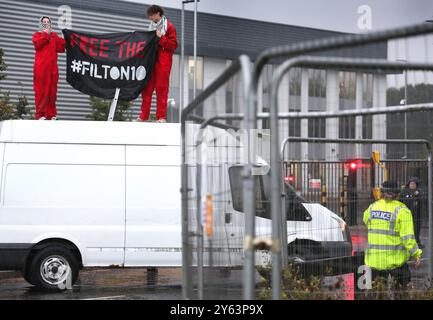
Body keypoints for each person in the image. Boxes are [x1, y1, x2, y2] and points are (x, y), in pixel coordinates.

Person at [363, 180, 421, 289]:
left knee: (377, 293)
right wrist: (416, 254)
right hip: (395, 263)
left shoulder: (372, 207)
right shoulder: (402, 210)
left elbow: (366, 220)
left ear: (381, 192)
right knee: (401, 292)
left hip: (373, 262)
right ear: (397, 193)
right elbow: (408, 238)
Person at [137, 5, 177, 123]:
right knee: (146, 89)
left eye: (151, 15)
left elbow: (173, 45)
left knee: (162, 89)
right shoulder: (150, 27)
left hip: (164, 62)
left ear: (158, 13)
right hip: (151, 61)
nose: (150, 18)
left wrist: (162, 38)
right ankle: (143, 116)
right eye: (149, 16)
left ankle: (161, 117)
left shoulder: (169, 27)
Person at [32, 16, 65, 120]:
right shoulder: (37, 35)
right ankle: (40, 115)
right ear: (41, 24)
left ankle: (51, 114)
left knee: (52, 93)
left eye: (48, 22)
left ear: (51, 24)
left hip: (53, 70)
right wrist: (46, 34)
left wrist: (65, 36)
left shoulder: (54, 36)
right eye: (44, 22)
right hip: (41, 69)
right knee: (41, 92)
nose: (46, 23)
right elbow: (37, 45)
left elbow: (61, 48)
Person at [400, 177, 423, 248]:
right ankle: (407, 243)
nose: (412, 185)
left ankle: (417, 242)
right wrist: (412, 195)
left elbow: (421, 201)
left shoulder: (419, 191)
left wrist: (417, 195)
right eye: (411, 184)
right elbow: (403, 200)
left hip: (416, 214)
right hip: (406, 213)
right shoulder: (404, 191)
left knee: (416, 228)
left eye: (414, 184)